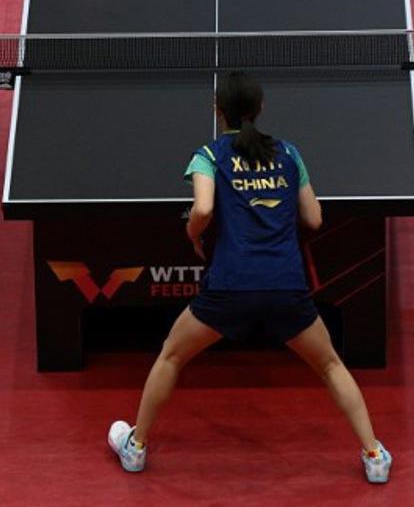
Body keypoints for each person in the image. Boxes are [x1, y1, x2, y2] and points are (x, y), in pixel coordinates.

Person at [107, 71, 392, 483]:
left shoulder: (209, 155)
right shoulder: (289, 154)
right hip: (286, 287)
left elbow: (203, 209)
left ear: (217, 111)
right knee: (331, 365)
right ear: (260, 108)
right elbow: (314, 218)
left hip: (229, 287)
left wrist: (193, 234)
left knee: (171, 355)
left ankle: (135, 448)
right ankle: (374, 455)